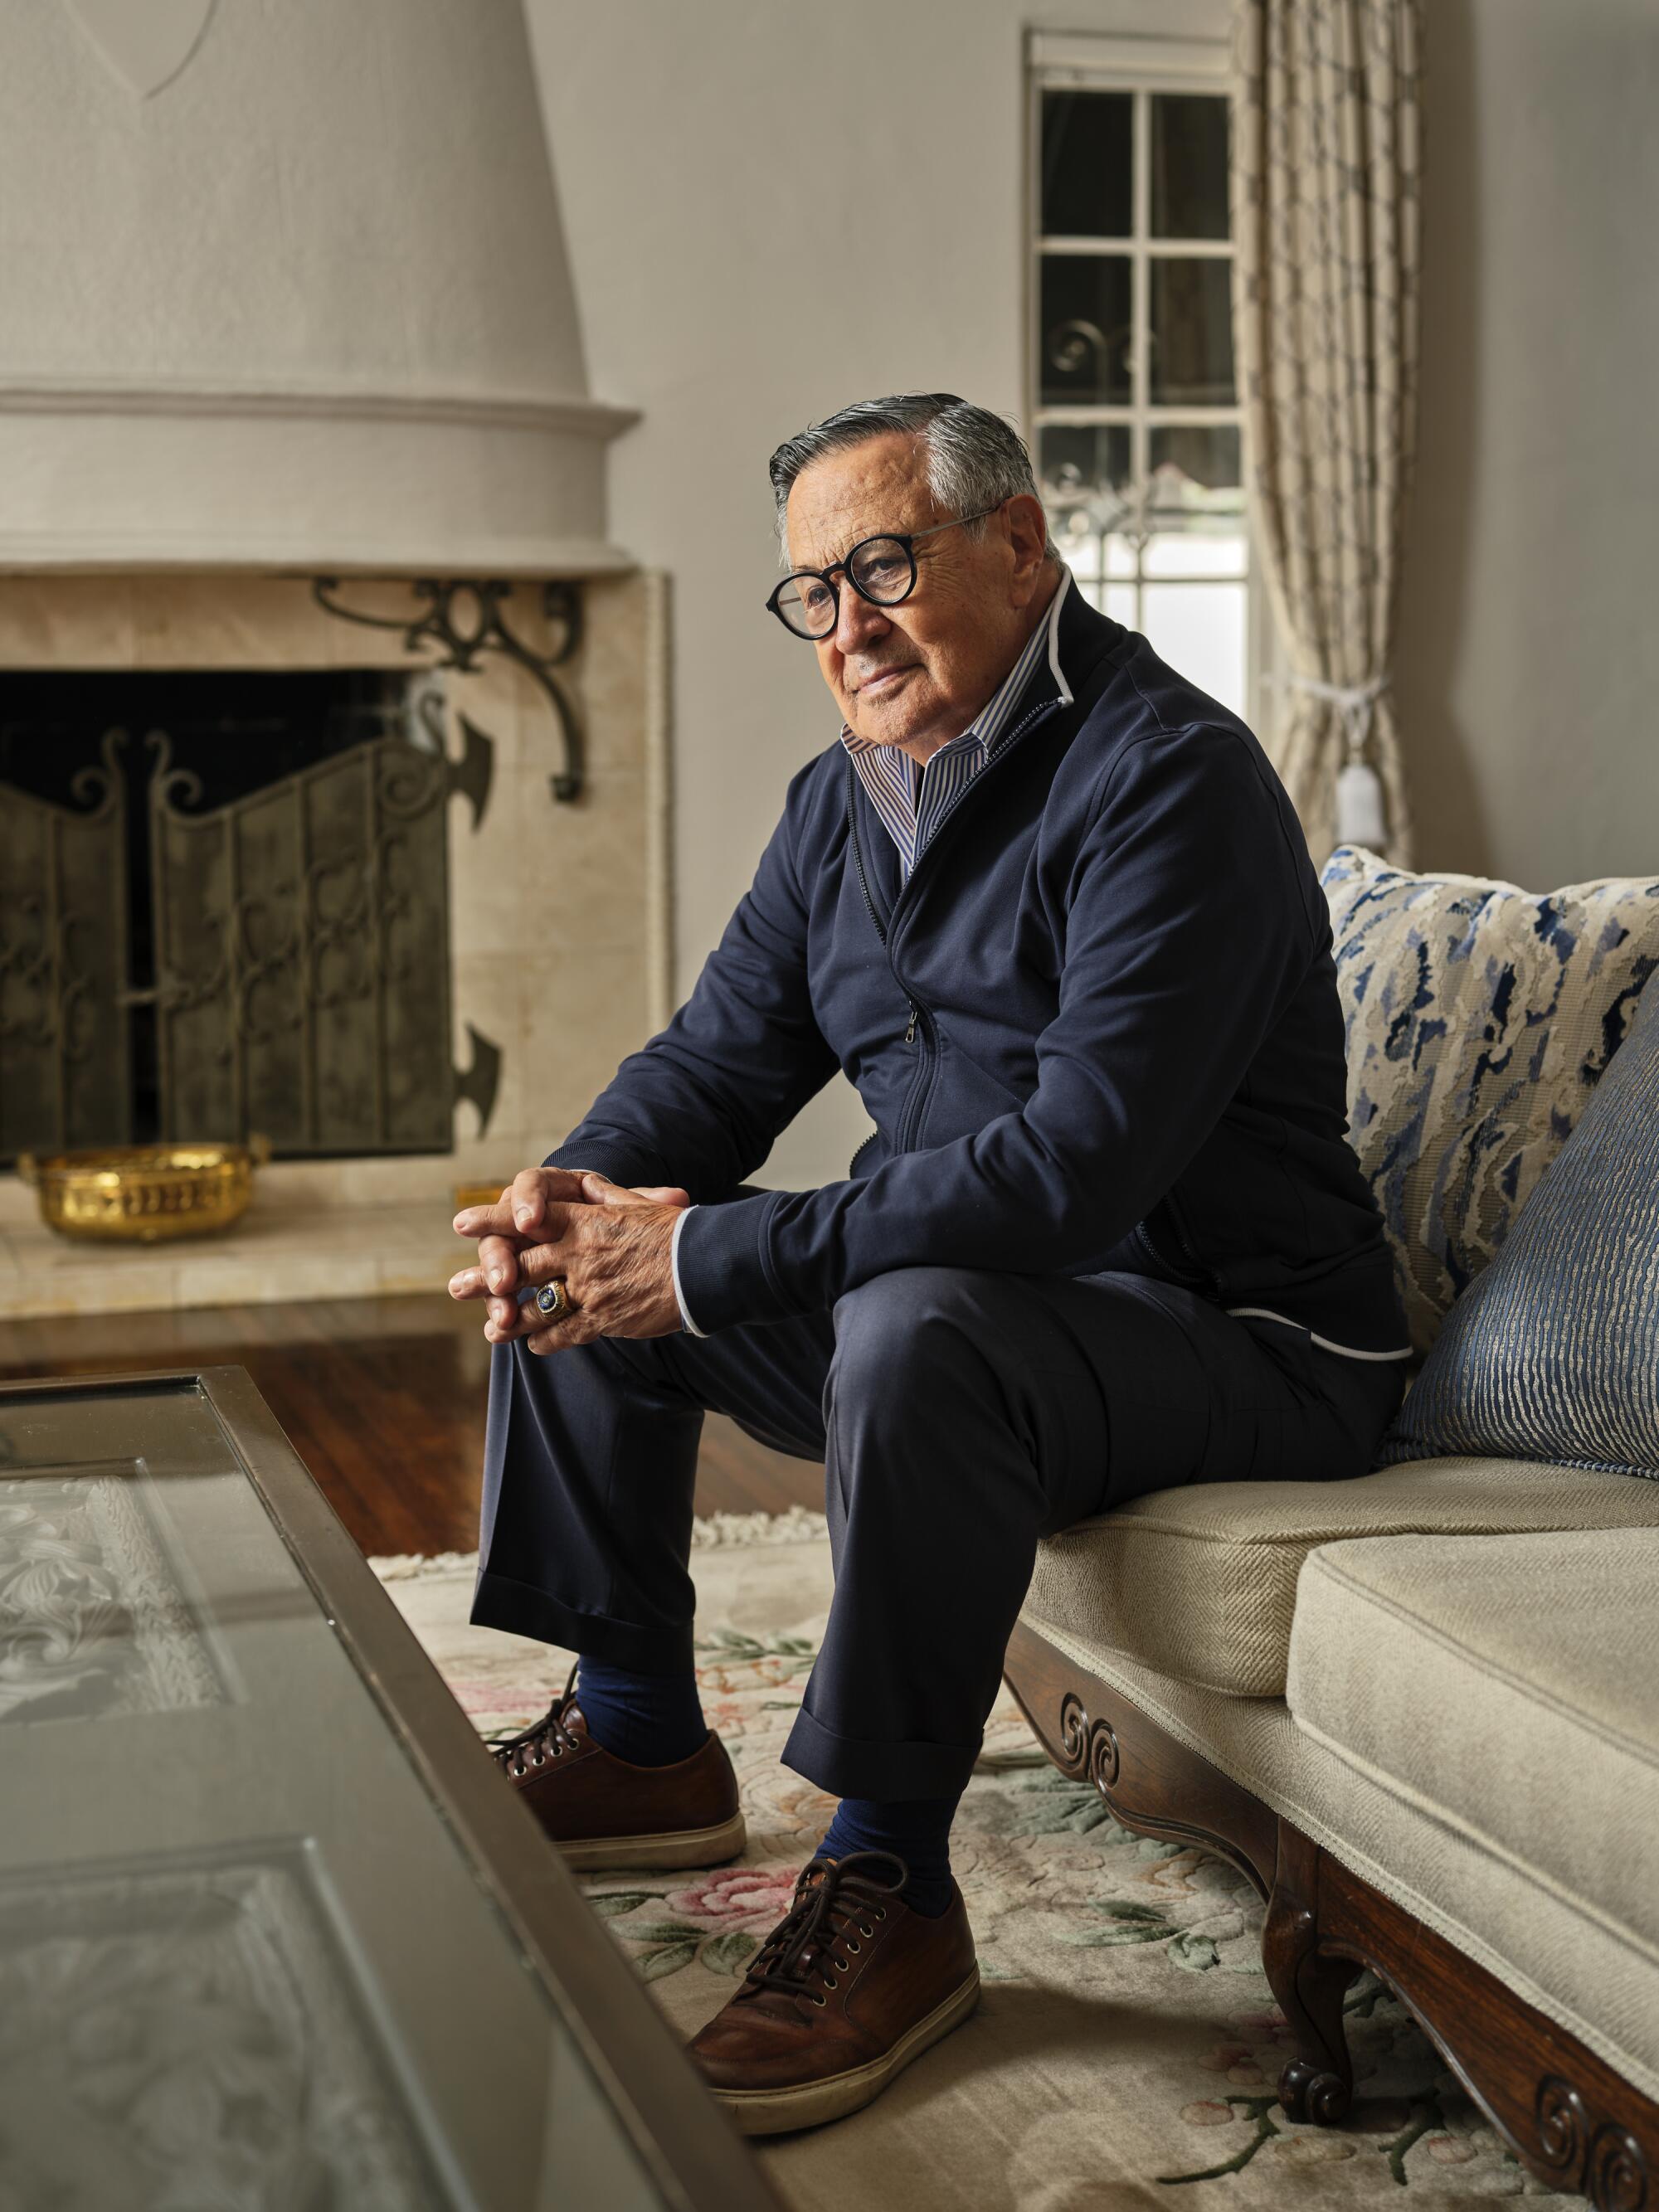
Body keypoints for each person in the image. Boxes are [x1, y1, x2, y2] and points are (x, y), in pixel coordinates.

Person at [448, 392, 1412, 2138]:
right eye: (811, 592)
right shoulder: (841, 804)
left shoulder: (1167, 779)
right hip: (995, 1312)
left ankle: (892, 1877)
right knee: (587, 1269)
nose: (850, 626)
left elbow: (1067, 1171)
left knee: (901, 1326)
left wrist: (716, 1249)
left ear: (1021, 543)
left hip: (1236, 1333)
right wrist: (572, 1192)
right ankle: (642, 1730)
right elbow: (718, 1058)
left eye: (883, 565)